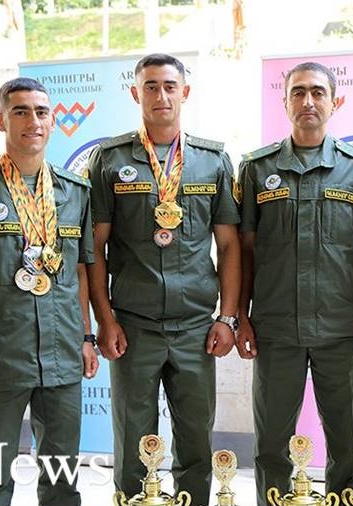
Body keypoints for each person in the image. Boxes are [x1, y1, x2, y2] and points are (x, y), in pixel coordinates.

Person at [88, 53, 241, 505]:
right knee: (134, 442)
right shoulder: (110, 160)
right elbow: (94, 249)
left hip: (195, 327)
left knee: (195, 441)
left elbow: (229, 246)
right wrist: (105, 320)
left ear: (184, 92)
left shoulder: (213, 160)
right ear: (135, 93)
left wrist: (228, 318)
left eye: (170, 86)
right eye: (150, 86)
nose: (161, 95)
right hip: (133, 326)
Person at [0, 77, 98, 506]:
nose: (33, 121)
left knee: (62, 477)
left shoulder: (75, 192)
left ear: (53, 121)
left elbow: (80, 271)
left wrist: (86, 336)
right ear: (0, 120)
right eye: (21, 111)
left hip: (62, 354)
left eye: (41, 112)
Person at [236, 61, 353, 505]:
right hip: (276, 329)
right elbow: (244, 251)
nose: (308, 101)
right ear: (285, 102)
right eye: (298, 92)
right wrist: (240, 316)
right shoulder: (256, 169)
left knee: (348, 446)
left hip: (342, 329)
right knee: (271, 445)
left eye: (318, 92)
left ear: (336, 102)